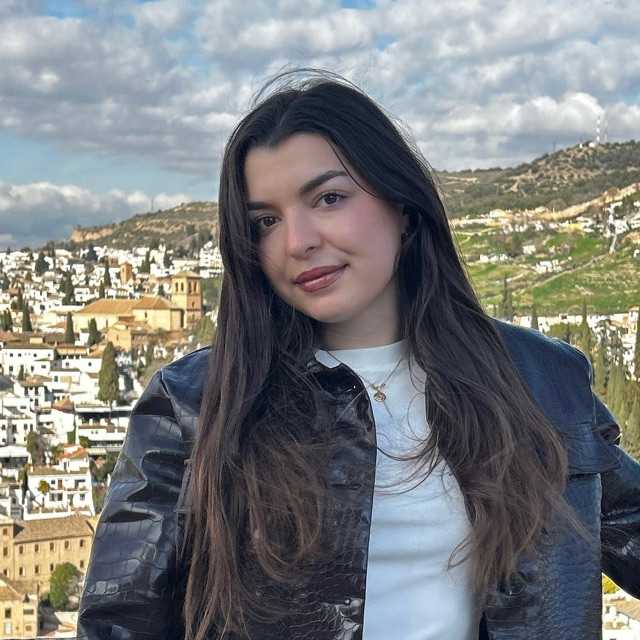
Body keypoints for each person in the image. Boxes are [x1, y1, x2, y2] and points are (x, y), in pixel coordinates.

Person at [77, 69, 640, 640]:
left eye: (329, 198)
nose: (297, 242)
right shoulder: (194, 405)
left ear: (402, 205)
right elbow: (119, 624)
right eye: (265, 221)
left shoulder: (539, 382)